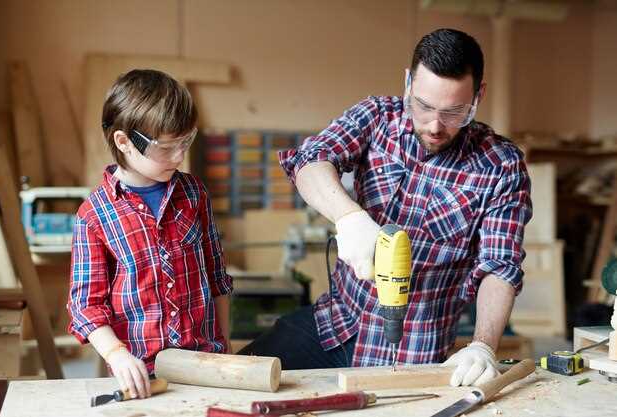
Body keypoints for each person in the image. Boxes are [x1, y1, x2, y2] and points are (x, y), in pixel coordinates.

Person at [239, 28, 532, 387]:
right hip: (336, 325)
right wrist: (349, 217)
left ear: (478, 96)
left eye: (454, 112)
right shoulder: (377, 117)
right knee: (234, 381)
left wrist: (483, 346)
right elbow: (311, 161)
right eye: (423, 106)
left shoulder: (500, 165)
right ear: (408, 83)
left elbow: (500, 266)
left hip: (415, 352)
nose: (435, 126)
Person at [67, 69, 232, 399]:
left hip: (205, 363)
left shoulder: (194, 194)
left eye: (185, 142)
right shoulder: (94, 216)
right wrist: (116, 354)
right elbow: (85, 305)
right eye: (167, 147)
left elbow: (217, 279)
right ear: (124, 142)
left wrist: (225, 346)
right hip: (143, 374)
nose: (180, 156)